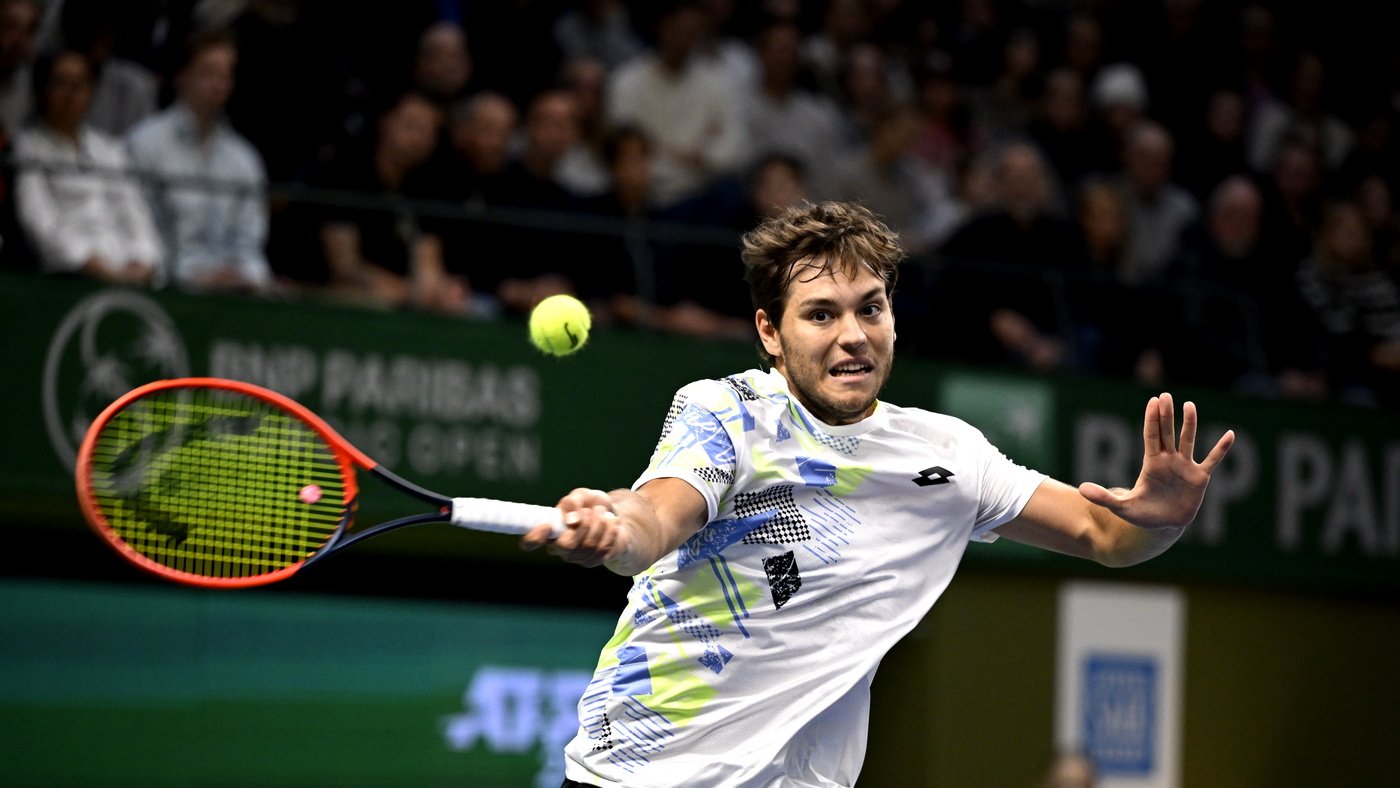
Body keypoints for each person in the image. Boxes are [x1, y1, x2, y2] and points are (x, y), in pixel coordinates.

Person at [520, 201, 1236, 788]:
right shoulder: (729, 413)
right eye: (821, 314)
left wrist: (1164, 522)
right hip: (644, 776)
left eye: (870, 309)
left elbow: (1107, 537)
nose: (853, 336)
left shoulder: (948, 456)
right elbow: (655, 516)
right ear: (770, 331)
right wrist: (615, 528)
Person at [126, 30, 272, 295]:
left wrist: (247, 275)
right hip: (166, 290)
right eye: (208, 73)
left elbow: (250, 244)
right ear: (181, 77)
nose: (218, 85)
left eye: (225, 76)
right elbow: (142, 235)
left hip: (235, 294)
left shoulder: (244, 158)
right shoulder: (145, 143)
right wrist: (193, 277)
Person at [13, 49, 162, 283]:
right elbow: (39, 220)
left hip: (127, 269)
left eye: (80, 84)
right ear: (43, 89)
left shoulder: (109, 149)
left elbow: (135, 213)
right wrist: (90, 264)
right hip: (69, 274)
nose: (71, 94)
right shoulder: (27, 146)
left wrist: (143, 260)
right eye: (61, 83)